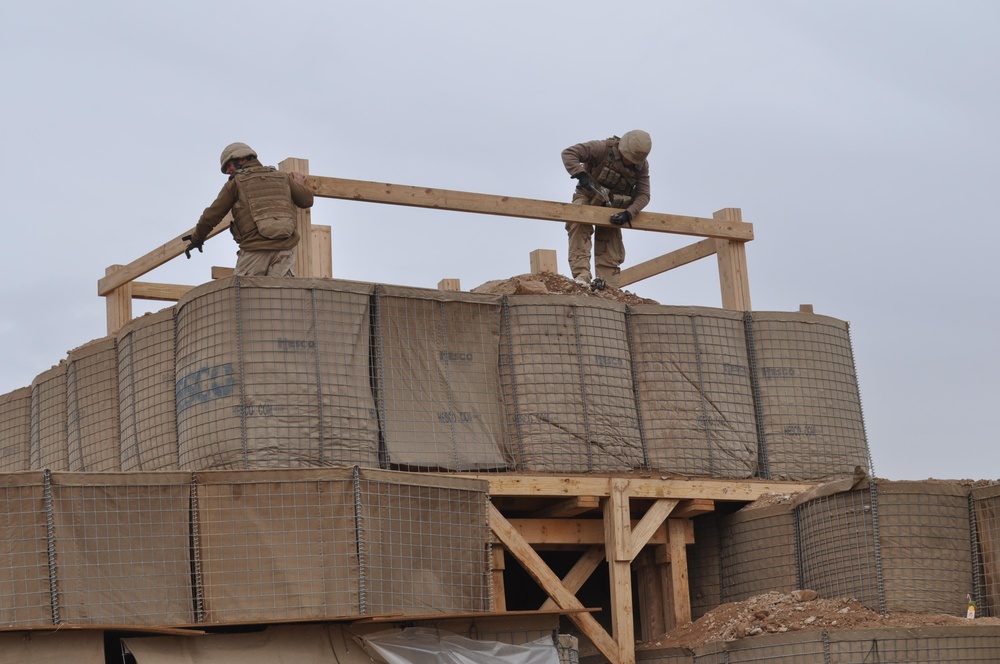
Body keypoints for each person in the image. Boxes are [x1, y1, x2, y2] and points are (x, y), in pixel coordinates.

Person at [182, 142, 315, 277]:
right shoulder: (282, 177)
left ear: (242, 159)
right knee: (281, 297)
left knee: (243, 297)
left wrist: (197, 239)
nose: (228, 171)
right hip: (284, 253)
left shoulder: (236, 183)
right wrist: (299, 186)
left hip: (255, 251)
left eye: (229, 165)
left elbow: (211, 216)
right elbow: (307, 200)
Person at [561, 130, 652, 290]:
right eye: (628, 158)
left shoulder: (641, 166)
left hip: (612, 208)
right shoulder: (601, 149)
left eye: (633, 161)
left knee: (610, 242)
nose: (630, 163)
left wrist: (628, 213)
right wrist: (580, 174)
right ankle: (582, 277)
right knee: (578, 220)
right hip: (588, 198)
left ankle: (607, 287)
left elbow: (644, 195)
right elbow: (569, 153)